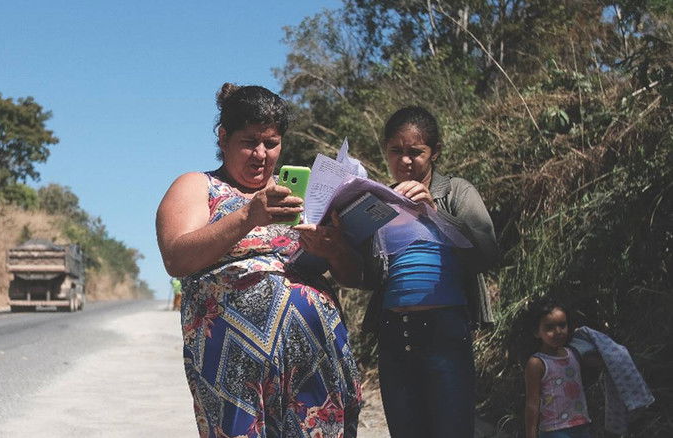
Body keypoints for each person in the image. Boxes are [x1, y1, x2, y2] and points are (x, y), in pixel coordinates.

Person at [156, 83, 361, 438]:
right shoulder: (198, 186)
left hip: (316, 366)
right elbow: (177, 258)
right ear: (223, 138)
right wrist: (248, 215)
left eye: (271, 142)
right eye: (249, 141)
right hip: (235, 370)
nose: (261, 154)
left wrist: (333, 249)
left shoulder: (299, 194)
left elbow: (352, 275)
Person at [362, 105, 499, 437]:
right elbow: (367, 276)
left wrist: (434, 212)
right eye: (396, 151)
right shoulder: (379, 201)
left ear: (435, 152)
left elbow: (489, 253)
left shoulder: (456, 192)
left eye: (416, 152)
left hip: (445, 332)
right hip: (394, 334)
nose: (406, 161)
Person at [523, 297, 592, 438]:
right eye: (549, 328)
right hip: (554, 430)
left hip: (581, 425)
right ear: (537, 332)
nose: (558, 331)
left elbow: (604, 361)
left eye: (562, 325)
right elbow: (532, 403)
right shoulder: (537, 363)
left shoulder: (574, 353)